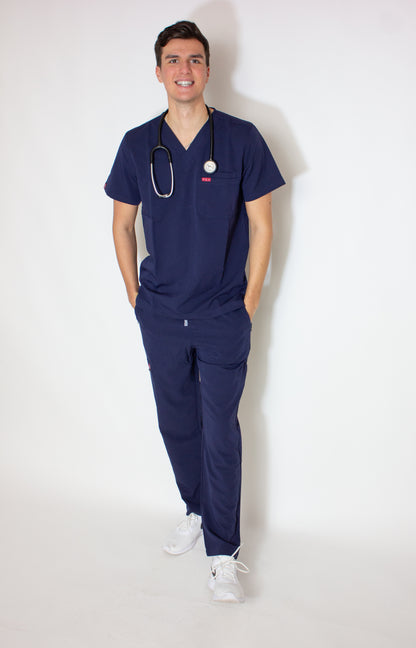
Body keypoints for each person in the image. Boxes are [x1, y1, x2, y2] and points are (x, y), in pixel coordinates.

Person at [104, 20, 285, 603]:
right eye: (174, 59)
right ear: (159, 71)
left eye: (196, 59)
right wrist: (136, 296)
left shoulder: (240, 139)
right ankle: (196, 509)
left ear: (208, 70)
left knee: (220, 430)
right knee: (176, 422)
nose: (185, 69)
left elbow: (262, 225)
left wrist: (249, 301)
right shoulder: (138, 144)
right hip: (160, 312)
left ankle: (222, 553)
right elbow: (122, 224)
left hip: (220, 314)